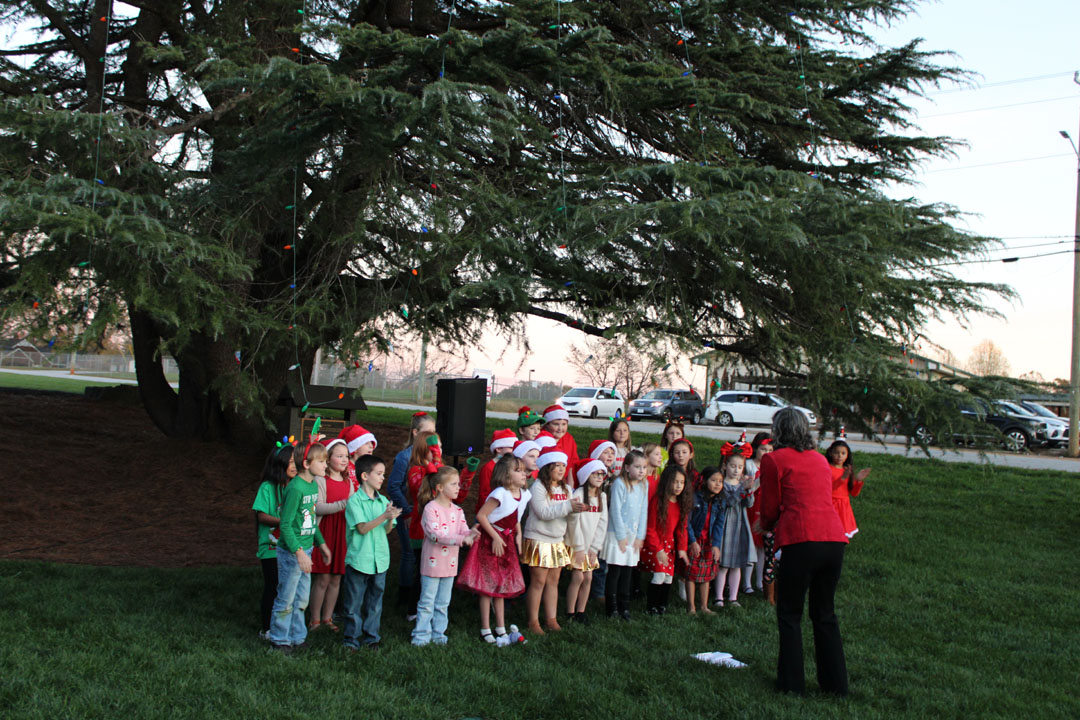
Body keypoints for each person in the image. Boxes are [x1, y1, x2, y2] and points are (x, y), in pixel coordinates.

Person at [760, 407, 850, 696]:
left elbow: (771, 506)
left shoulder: (774, 459)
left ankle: (791, 685)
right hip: (834, 540)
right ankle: (836, 686)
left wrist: (766, 525)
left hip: (801, 538)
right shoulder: (821, 460)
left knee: (789, 613)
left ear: (779, 430)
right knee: (825, 614)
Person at [457, 454, 532, 643]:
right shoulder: (500, 494)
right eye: (518, 471)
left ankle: (500, 626)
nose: (523, 474)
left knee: (501, 584)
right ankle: (485, 628)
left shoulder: (525, 495)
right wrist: (496, 537)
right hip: (491, 541)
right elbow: (482, 516)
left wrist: (518, 535)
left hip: (505, 541)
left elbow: (516, 518)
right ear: (506, 476)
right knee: (487, 586)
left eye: (524, 470)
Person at [267, 441, 332, 653]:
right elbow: (285, 525)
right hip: (291, 553)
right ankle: (279, 639)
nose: (326, 465)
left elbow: (310, 520)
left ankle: (297, 637)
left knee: (302, 599)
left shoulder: (313, 486)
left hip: (307, 551)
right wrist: (299, 552)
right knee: (286, 598)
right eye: (321, 461)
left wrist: (321, 544)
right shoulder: (295, 488)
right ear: (306, 463)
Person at [412, 466, 478, 646]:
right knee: (427, 602)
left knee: (443, 602)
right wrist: (461, 539)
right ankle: (421, 636)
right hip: (432, 565)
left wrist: (471, 534)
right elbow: (435, 534)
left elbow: (463, 529)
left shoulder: (457, 510)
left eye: (458, 484)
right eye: (454, 484)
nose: (458, 488)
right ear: (440, 487)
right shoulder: (430, 509)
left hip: (450, 564)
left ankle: (438, 634)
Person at [522, 446, 584, 635]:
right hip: (538, 537)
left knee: (554, 580)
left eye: (563, 465)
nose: (561, 469)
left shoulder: (566, 489)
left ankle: (551, 619)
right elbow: (543, 513)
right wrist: (568, 506)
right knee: (539, 580)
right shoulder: (538, 487)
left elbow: (569, 516)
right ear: (546, 467)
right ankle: (533, 621)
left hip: (557, 539)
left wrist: (575, 510)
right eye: (556, 465)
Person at [342, 454, 401, 652]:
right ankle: (351, 639)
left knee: (375, 601)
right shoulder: (354, 502)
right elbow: (362, 529)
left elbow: (386, 530)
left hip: (380, 560)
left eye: (383, 474)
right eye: (379, 473)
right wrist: (384, 515)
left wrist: (390, 519)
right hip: (360, 559)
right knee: (354, 602)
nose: (382, 478)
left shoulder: (383, 500)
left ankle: (372, 637)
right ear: (365, 476)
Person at [387, 412, 435, 612]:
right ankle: (404, 597)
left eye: (434, 433)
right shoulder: (405, 457)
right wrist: (406, 511)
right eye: (427, 432)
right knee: (409, 555)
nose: (431, 437)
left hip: (425, 513)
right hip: (409, 512)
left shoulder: (431, 457)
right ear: (415, 433)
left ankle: (420, 595)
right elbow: (393, 487)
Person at [309, 438, 354, 632]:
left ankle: (328, 618)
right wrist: (343, 505)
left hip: (342, 532)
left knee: (336, 578)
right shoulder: (321, 480)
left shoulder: (348, 482)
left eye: (347, 456)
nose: (344, 460)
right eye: (339, 456)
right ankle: (314, 619)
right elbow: (317, 507)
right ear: (328, 458)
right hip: (326, 530)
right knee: (323, 578)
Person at [252, 443, 295, 639]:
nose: (296, 465)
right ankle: (267, 628)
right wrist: (285, 521)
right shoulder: (267, 487)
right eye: (292, 462)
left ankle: (285, 626)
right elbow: (261, 516)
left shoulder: (296, 486)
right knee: (274, 585)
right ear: (280, 463)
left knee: (289, 588)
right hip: (271, 547)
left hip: (291, 546)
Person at [602, 449, 650, 620]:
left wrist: (640, 536)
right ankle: (612, 607)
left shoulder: (644, 485)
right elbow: (615, 511)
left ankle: (625, 606)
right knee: (615, 572)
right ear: (627, 467)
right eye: (637, 467)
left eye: (644, 467)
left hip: (633, 537)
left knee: (628, 572)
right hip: (617, 535)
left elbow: (644, 511)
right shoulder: (620, 484)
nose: (641, 471)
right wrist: (621, 537)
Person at [640, 464, 691, 614]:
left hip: (670, 546)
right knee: (659, 574)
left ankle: (662, 605)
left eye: (681, 483)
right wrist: (658, 549)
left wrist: (682, 549)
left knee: (668, 577)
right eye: (675, 482)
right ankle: (651, 607)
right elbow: (650, 528)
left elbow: (682, 528)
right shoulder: (659, 501)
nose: (678, 486)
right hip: (656, 545)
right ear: (666, 482)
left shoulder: (681, 504)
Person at [564, 458, 608, 623]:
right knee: (578, 578)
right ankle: (569, 612)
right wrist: (580, 547)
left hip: (590, 547)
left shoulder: (601, 496)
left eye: (601, 474)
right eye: (595, 473)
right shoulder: (578, 495)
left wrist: (594, 548)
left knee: (588, 578)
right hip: (577, 544)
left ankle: (581, 611)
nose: (599, 477)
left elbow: (603, 523)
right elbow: (573, 523)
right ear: (586, 475)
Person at [714, 441, 756, 608]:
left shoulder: (741, 484)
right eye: (733, 466)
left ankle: (733, 597)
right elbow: (729, 502)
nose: (736, 470)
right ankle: (718, 596)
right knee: (723, 565)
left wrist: (748, 490)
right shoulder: (722, 484)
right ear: (725, 466)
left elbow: (749, 504)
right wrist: (741, 490)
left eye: (740, 467)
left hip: (739, 527)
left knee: (737, 565)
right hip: (725, 526)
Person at [405, 431, 443, 619]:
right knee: (421, 572)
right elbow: (421, 489)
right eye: (433, 449)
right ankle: (413, 609)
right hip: (420, 529)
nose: (438, 453)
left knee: (435, 570)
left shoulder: (439, 468)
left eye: (440, 449)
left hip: (439, 528)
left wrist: (437, 463)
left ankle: (434, 606)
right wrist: (434, 465)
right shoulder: (415, 470)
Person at [685, 466, 722, 615]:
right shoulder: (695, 498)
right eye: (713, 480)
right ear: (704, 481)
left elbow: (719, 524)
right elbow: (687, 522)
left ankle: (704, 606)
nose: (718, 484)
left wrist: (716, 545)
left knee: (707, 574)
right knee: (691, 573)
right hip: (695, 539)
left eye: (720, 481)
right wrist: (692, 541)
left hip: (709, 541)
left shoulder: (720, 502)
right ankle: (691, 606)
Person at [825, 436, 871, 538]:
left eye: (843, 453)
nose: (839, 456)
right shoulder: (827, 468)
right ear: (830, 453)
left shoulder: (847, 470)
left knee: (841, 536)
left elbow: (854, 493)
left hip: (844, 508)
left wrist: (858, 480)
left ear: (847, 455)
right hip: (830, 505)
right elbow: (827, 489)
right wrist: (842, 478)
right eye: (836, 453)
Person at [744, 432, 773, 594]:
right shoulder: (749, 465)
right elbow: (749, 487)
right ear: (756, 449)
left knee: (763, 547)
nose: (766, 453)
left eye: (770, 450)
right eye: (763, 449)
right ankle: (746, 582)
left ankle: (760, 581)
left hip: (765, 508)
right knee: (751, 545)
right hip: (751, 508)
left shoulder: (773, 466)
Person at [472, 428, 518, 512]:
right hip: (489, 512)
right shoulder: (488, 468)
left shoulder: (511, 466)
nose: (514, 451)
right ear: (498, 449)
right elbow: (484, 494)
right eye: (511, 448)